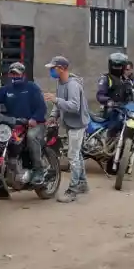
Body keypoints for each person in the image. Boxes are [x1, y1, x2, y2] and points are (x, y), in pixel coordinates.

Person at [0, 62, 48, 188]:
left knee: (31, 137)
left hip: (34, 124)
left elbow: (42, 107)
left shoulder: (32, 88)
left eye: (17, 74)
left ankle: (38, 171)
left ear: (23, 74)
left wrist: (34, 119)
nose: (15, 76)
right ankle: (1, 181)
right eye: (12, 74)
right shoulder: (7, 89)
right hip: (15, 124)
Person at [43, 56, 90, 203]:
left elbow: (74, 106)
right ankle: (82, 183)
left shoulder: (73, 85)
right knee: (77, 155)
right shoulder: (61, 83)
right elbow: (58, 104)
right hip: (70, 124)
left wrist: (56, 100)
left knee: (73, 157)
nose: (51, 71)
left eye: (53, 68)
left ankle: (73, 190)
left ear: (62, 68)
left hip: (77, 125)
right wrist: (53, 116)